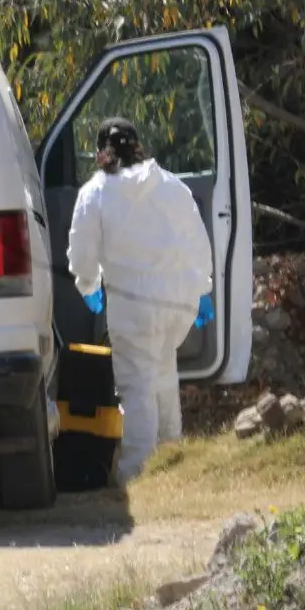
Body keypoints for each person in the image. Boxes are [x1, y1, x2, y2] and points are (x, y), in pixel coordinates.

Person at [66, 117, 214, 486]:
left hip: (132, 306)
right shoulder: (170, 185)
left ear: (103, 152)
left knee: (135, 387)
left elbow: (82, 253)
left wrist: (88, 287)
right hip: (176, 303)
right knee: (162, 371)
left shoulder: (95, 193)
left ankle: (138, 472)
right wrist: (203, 289)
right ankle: (172, 457)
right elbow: (197, 239)